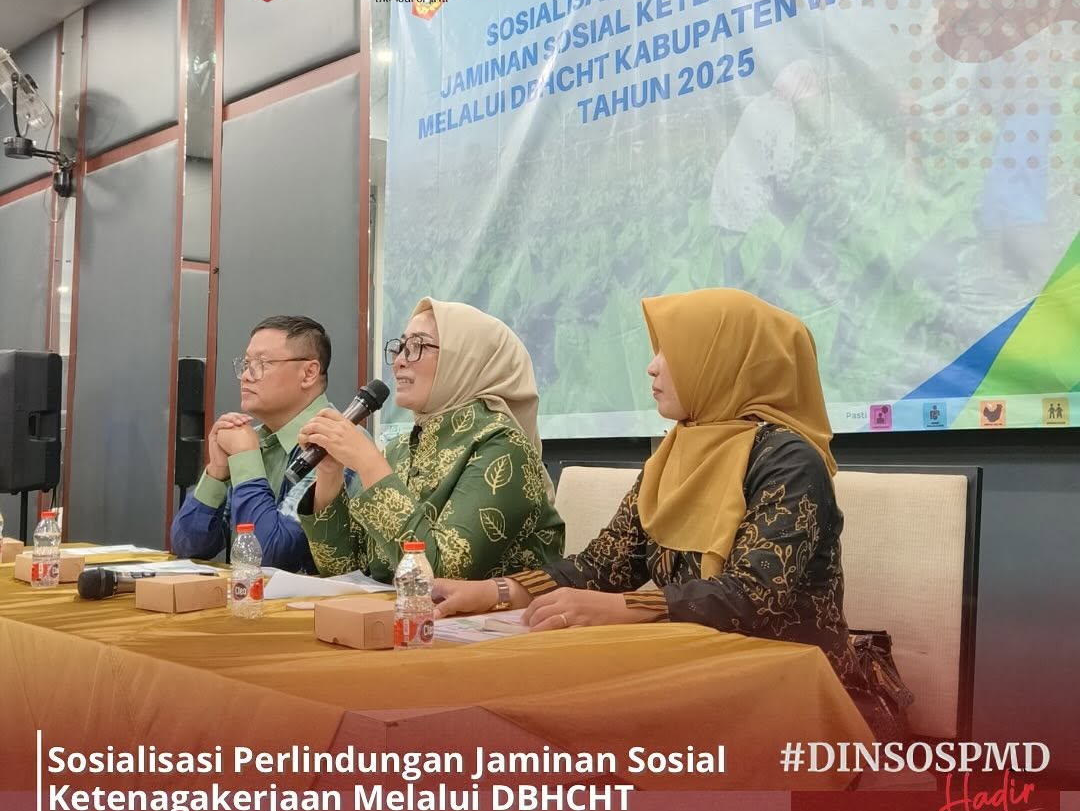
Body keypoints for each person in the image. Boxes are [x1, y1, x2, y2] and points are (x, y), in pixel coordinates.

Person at [432, 288, 911, 738]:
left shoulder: (789, 460)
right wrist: (496, 591)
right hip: (697, 670)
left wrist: (622, 608)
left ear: (723, 361)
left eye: (672, 351)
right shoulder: (676, 452)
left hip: (790, 690)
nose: (652, 367)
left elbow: (750, 596)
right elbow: (603, 565)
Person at [296, 298, 565, 583]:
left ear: (466, 360)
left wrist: (368, 461)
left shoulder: (503, 445)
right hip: (396, 608)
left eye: (417, 346)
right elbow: (344, 568)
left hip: (497, 613)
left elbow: (440, 576)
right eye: (401, 347)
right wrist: (329, 473)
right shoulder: (400, 449)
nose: (399, 361)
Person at [170, 315, 339, 572]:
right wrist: (217, 472)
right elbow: (186, 547)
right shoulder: (253, 440)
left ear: (308, 373)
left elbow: (270, 558)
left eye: (262, 364)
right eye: (246, 364)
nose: (246, 376)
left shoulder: (335, 443)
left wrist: (245, 458)